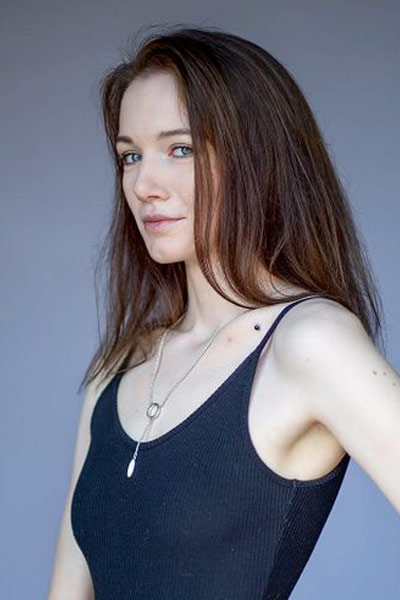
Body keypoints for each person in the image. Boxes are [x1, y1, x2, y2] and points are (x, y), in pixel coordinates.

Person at [47, 25, 400, 600]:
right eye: (129, 156)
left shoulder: (310, 342)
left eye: (179, 149)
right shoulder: (120, 369)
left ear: (255, 158)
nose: (143, 184)